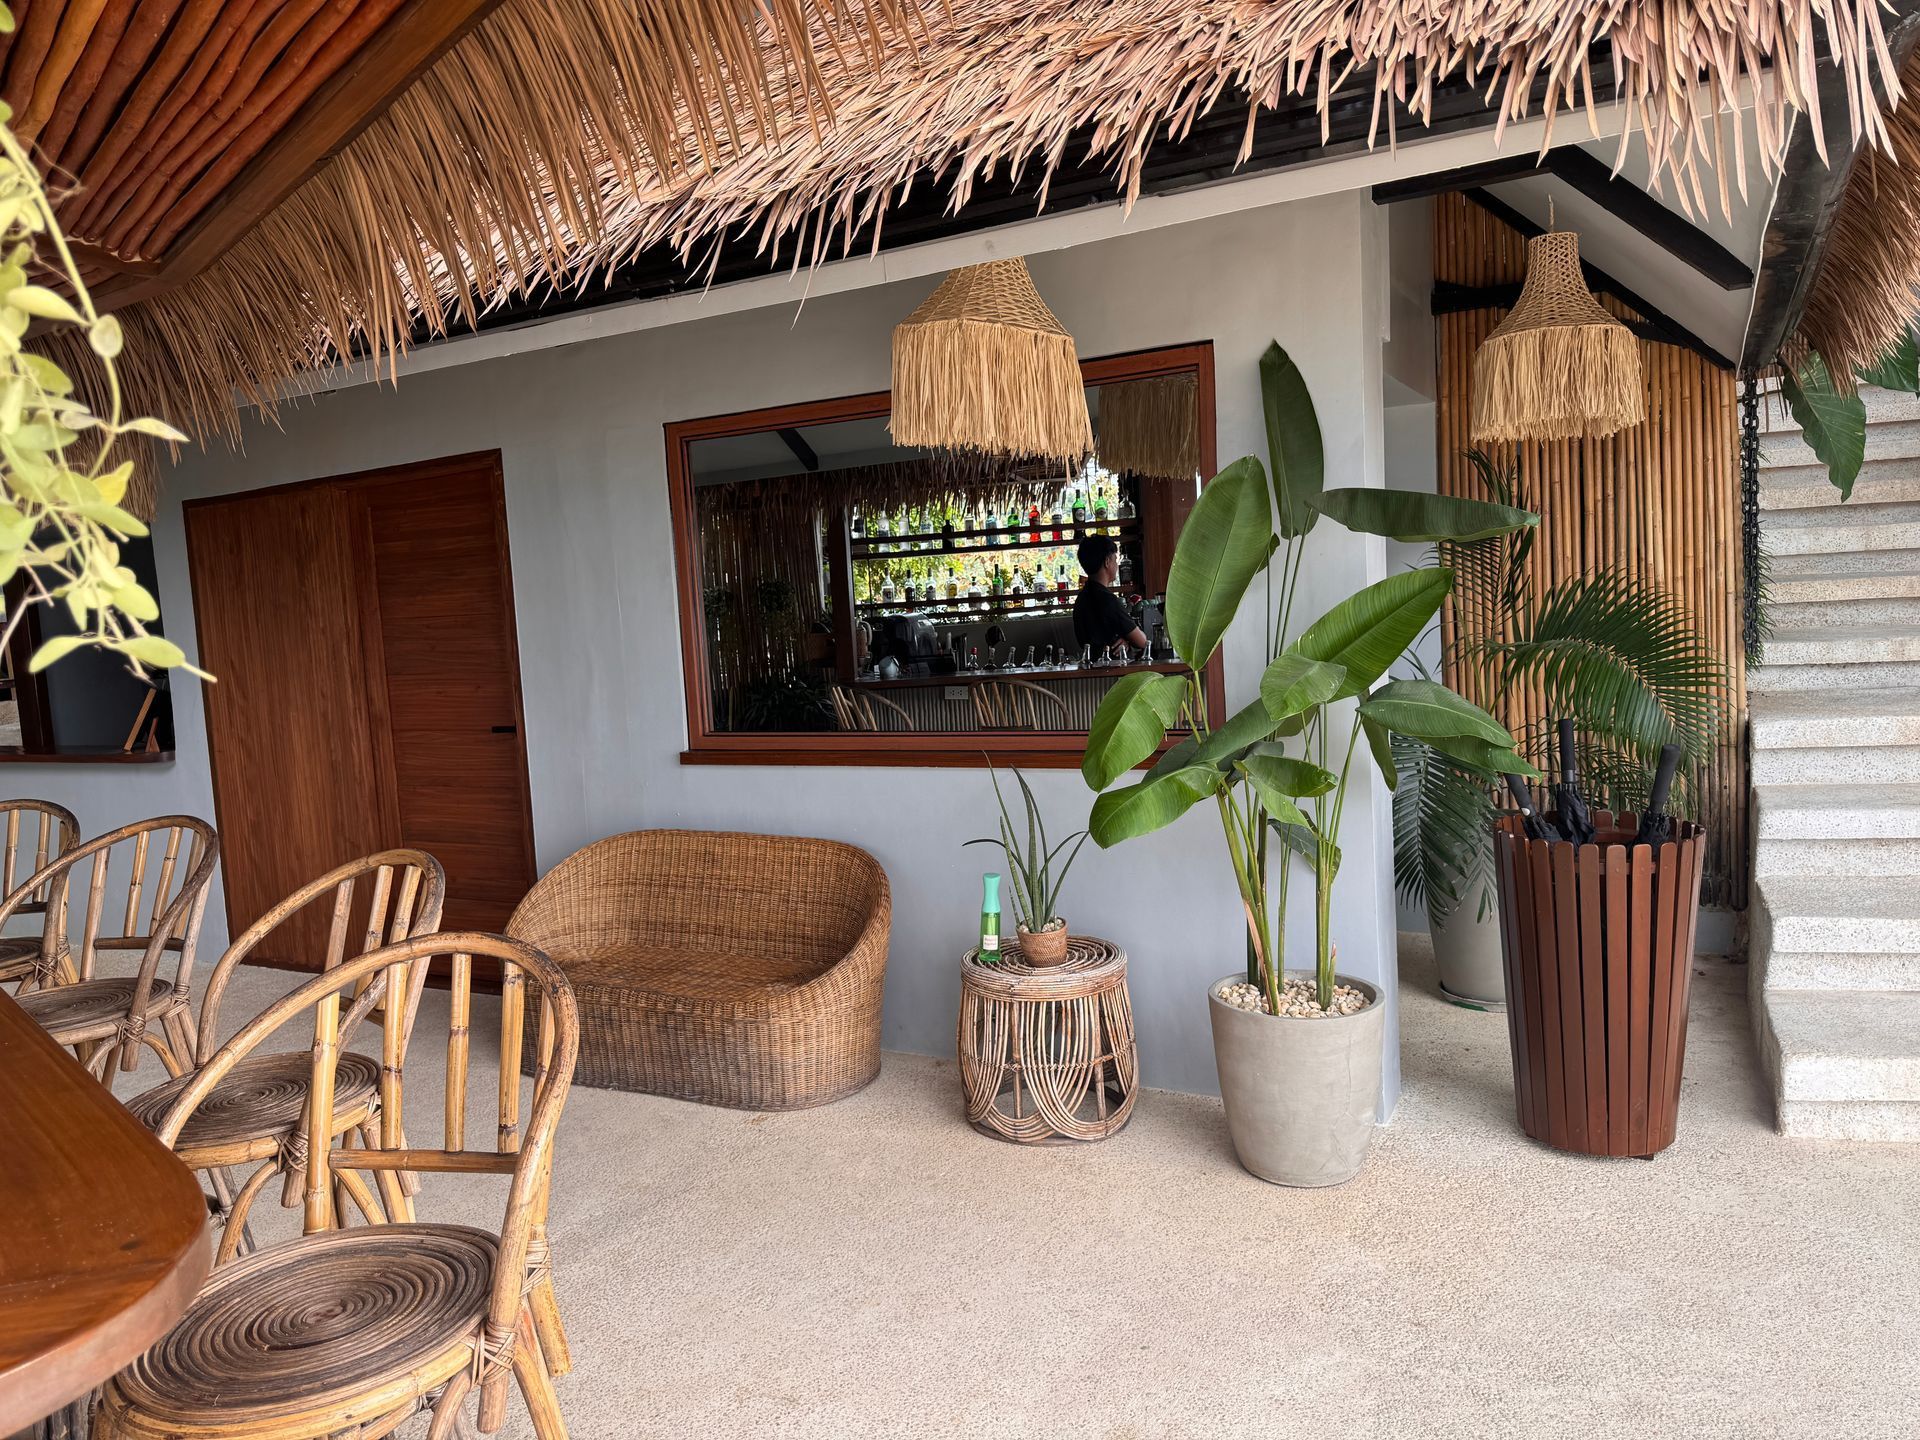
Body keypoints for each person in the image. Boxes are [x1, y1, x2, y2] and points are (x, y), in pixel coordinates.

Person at [1072, 535, 1147, 657]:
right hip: (1112, 669)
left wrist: (1126, 641)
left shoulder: (1081, 598)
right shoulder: (1108, 600)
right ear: (1107, 562)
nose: (1117, 566)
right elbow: (1143, 642)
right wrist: (1129, 641)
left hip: (1089, 667)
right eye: (1115, 560)